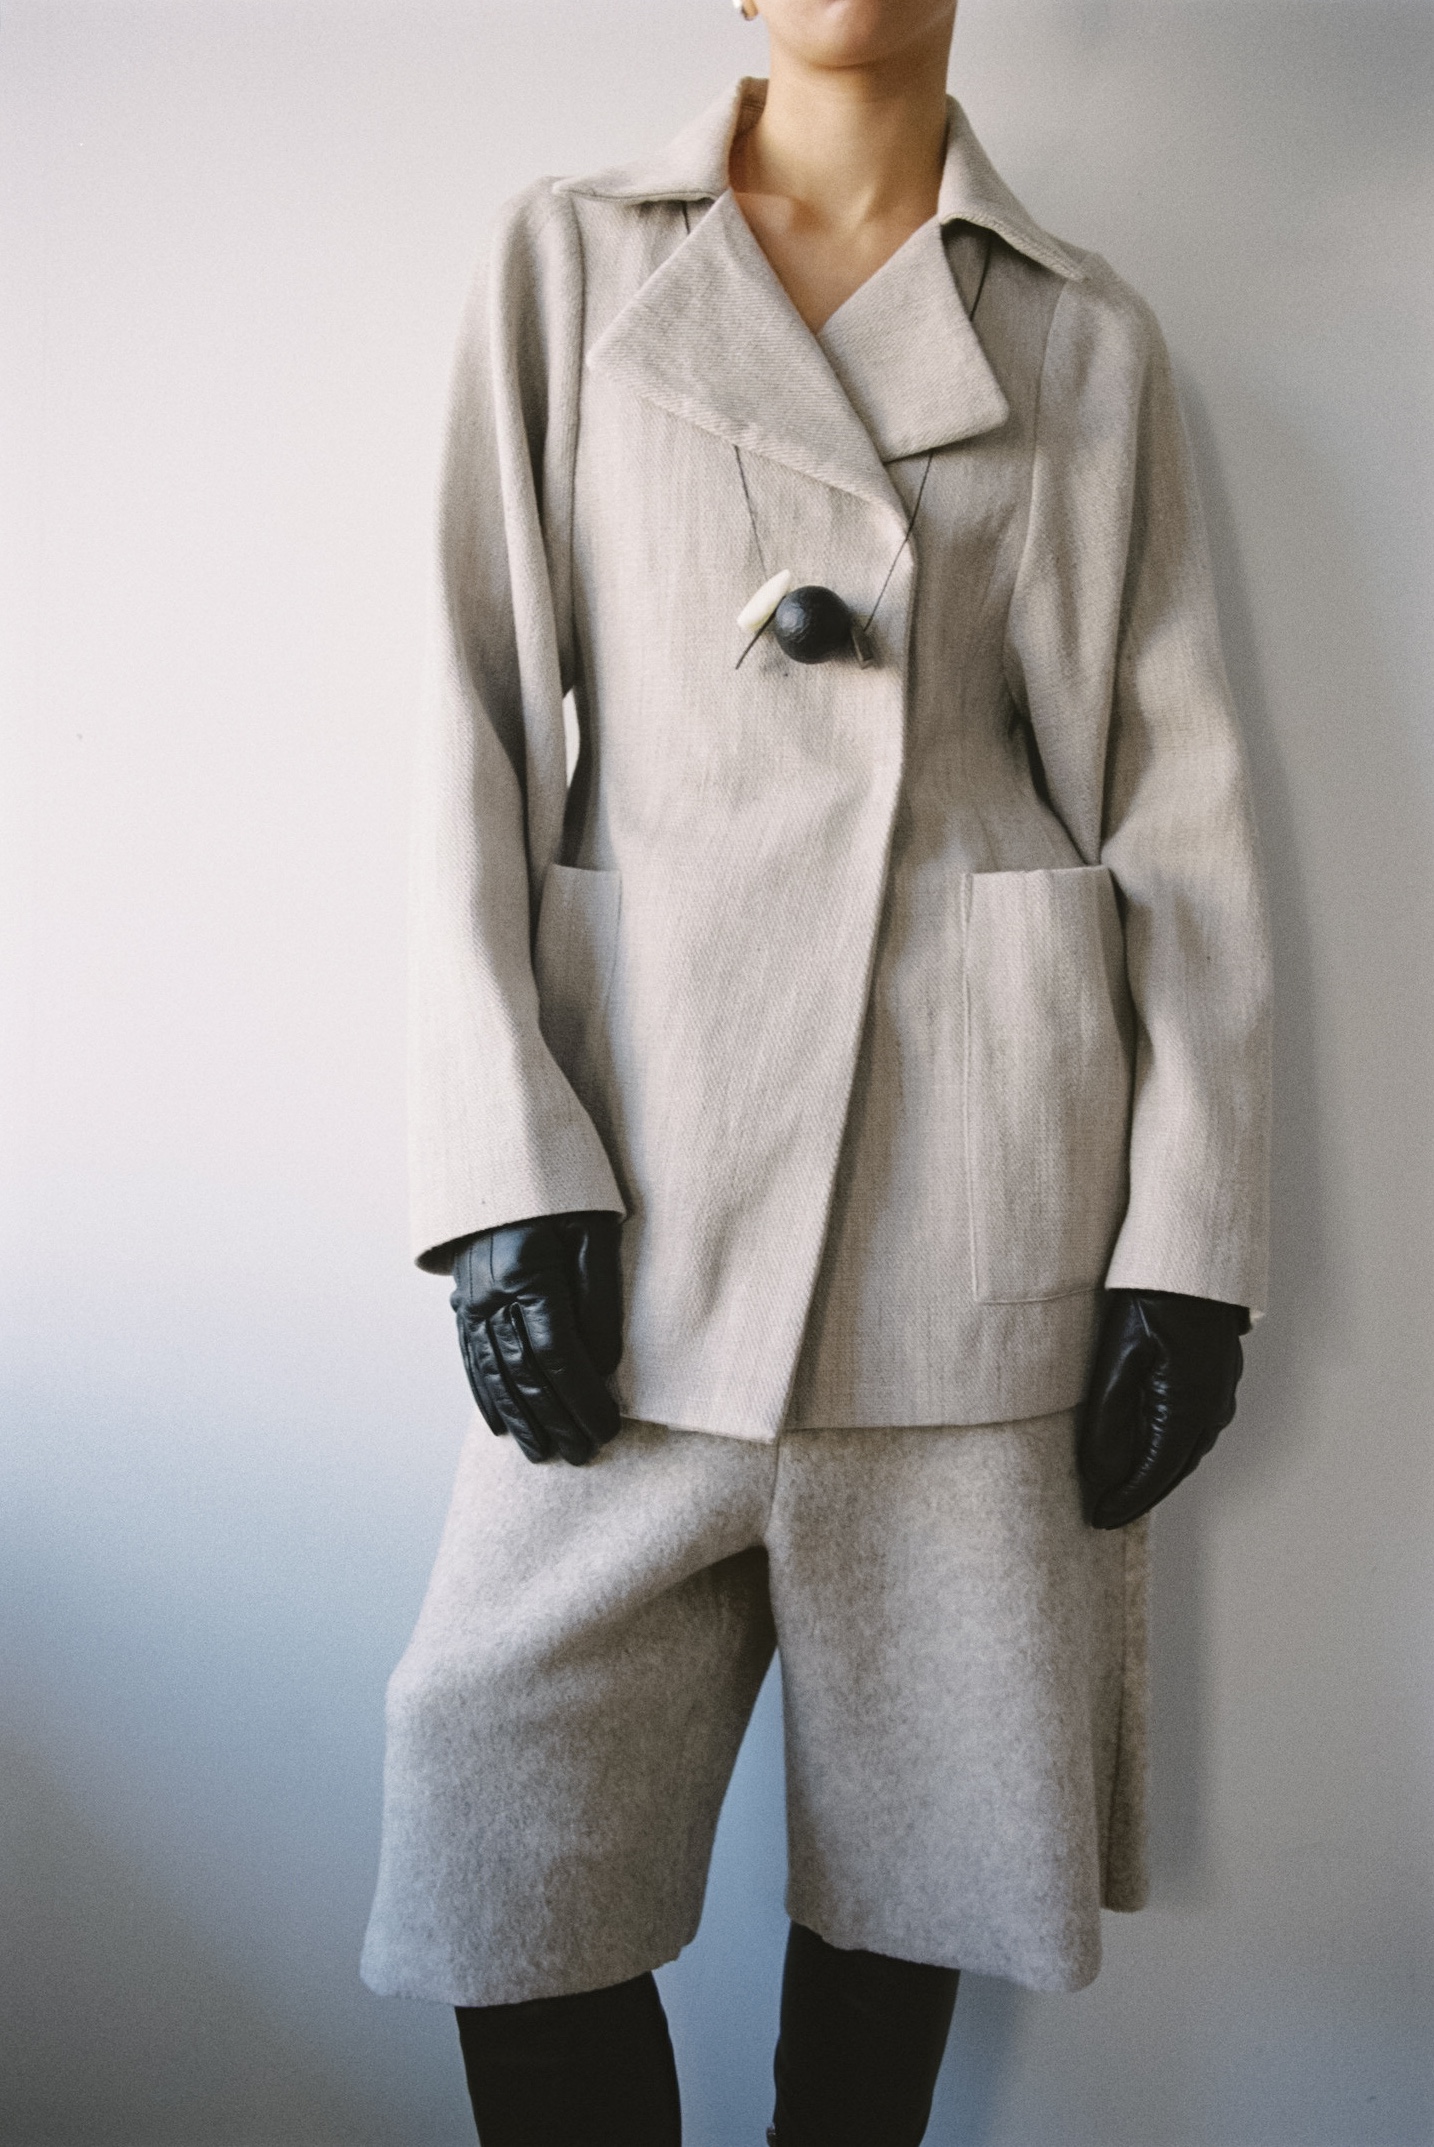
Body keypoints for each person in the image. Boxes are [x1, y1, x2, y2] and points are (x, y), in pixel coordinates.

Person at [361, 1, 1271, 2139]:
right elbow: (460, 730)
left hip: (980, 1206)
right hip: (638, 1205)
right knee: (501, 1830)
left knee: (917, 1874)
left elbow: (1179, 817)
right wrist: (501, 1178)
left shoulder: (1082, 336)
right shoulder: (574, 259)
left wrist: (1192, 1245)